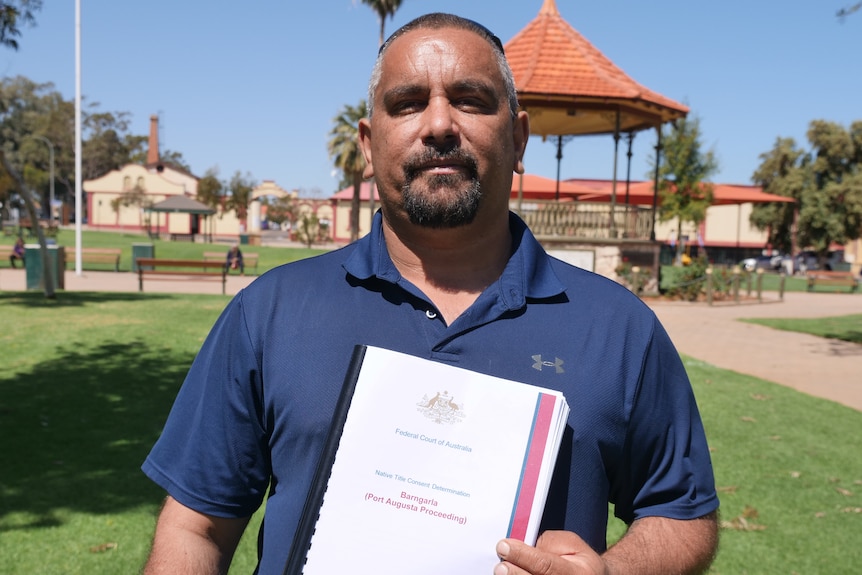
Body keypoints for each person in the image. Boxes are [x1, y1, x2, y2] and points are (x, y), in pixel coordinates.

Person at [142, 13, 718, 575]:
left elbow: (681, 514)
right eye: (408, 102)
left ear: (518, 138)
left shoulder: (618, 328)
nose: (439, 123)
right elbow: (196, 529)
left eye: (469, 99)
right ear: (369, 143)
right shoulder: (268, 313)